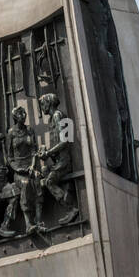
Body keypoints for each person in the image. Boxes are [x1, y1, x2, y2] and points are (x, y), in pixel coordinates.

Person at [37, 93, 79, 227]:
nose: (42, 107)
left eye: (43, 104)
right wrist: (46, 151)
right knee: (43, 174)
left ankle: (71, 208)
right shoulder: (54, 118)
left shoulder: (57, 115)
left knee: (49, 182)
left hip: (63, 161)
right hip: (58, 160)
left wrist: (48, 153)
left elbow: (65, 141)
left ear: (49, 103)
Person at [0, 106, 38, 238]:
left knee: (37, 182)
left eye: (24, 112)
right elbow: (9, 157)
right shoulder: (11, 133)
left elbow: (34, 151)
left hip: (30, 168)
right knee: (25, 183)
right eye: (20, 113)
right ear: (15, 117)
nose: (24, 115)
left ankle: (37, 219)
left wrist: (32, 166)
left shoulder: (30, 130)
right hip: (19, 172)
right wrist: (16, 168)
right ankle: (29, 224)